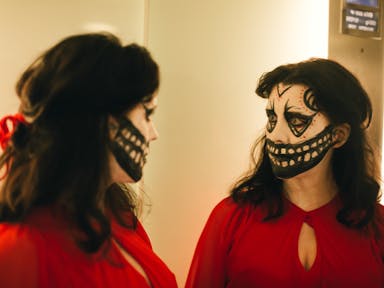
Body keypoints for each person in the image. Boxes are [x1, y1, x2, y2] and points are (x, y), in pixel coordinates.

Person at [185, 58, 384, 287]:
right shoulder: (230, 218)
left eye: (297, 120)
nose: (276, 135)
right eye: (272, 117)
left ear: (338, 135)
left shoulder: (377, 226)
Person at [0, 32, 177, 288]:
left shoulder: (121, 219)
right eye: (147, 115)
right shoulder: (18, 251)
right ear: (104, 125)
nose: (154, 134)